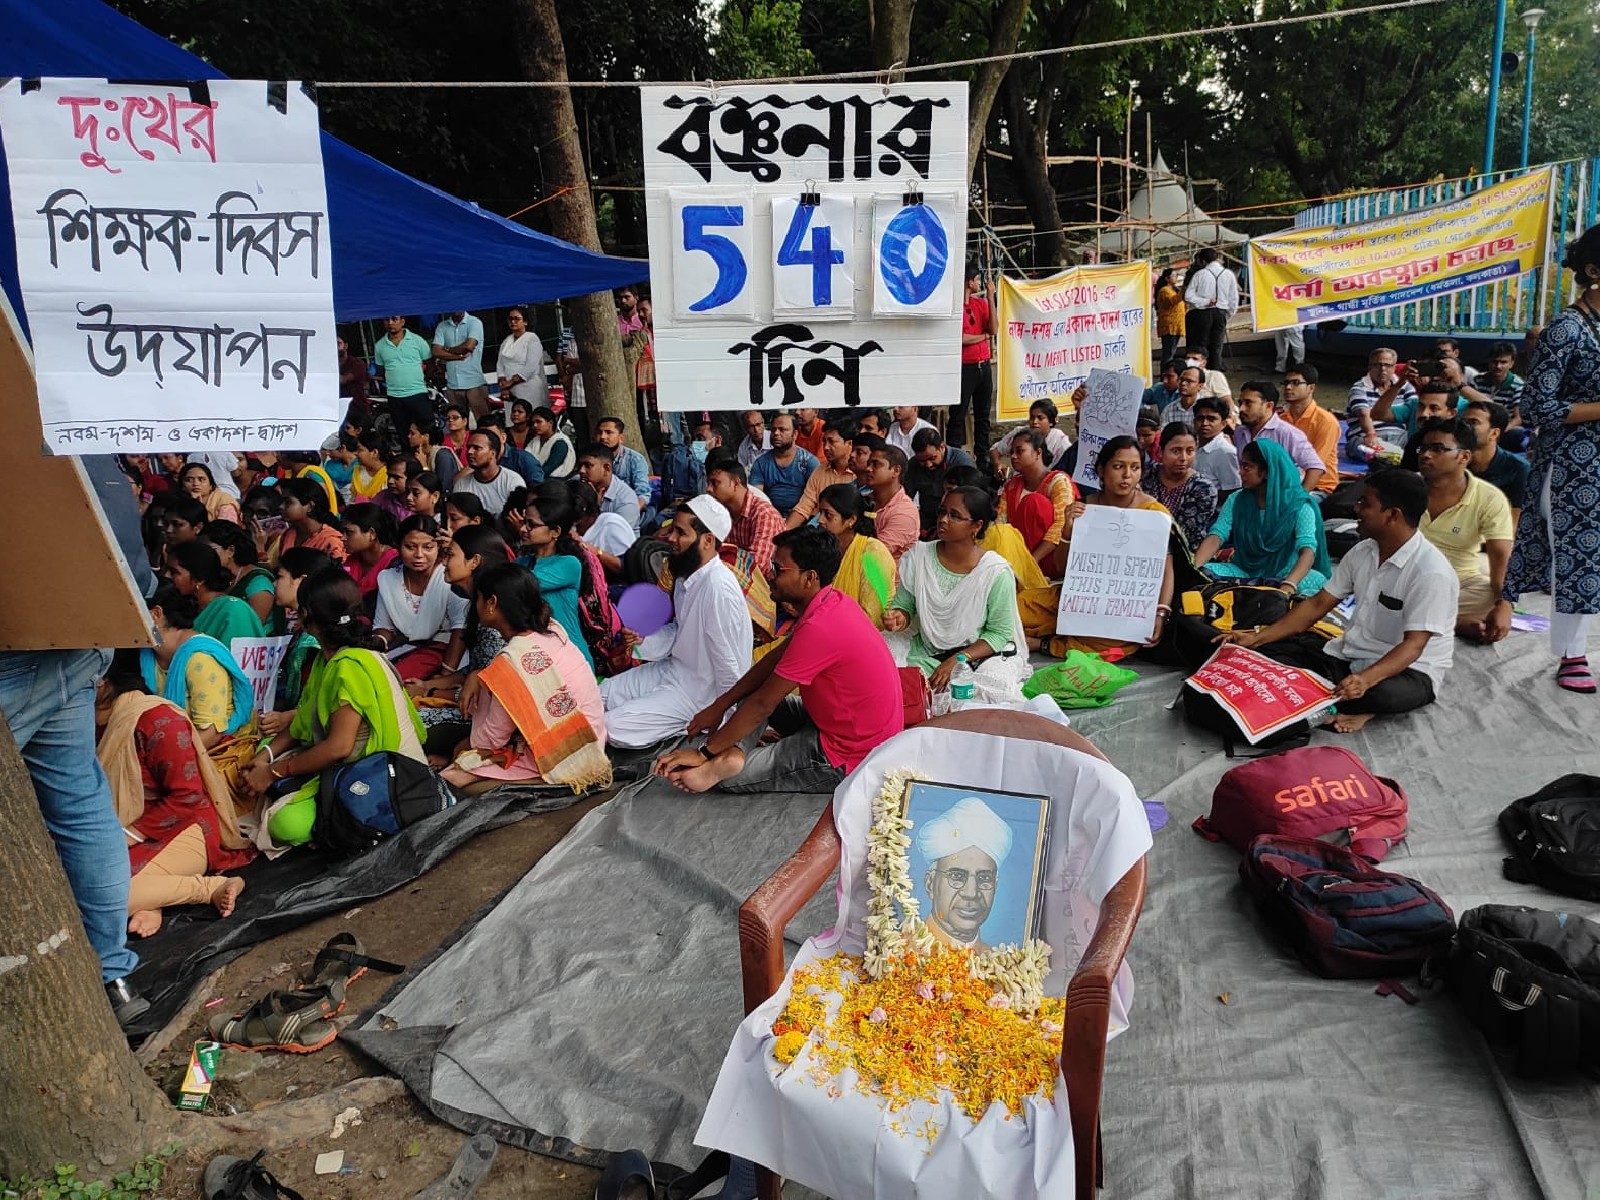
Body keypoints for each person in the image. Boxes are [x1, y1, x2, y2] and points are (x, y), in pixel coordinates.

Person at [654, 526, 904, 794]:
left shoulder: (821, 627)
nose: (770, 576)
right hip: (830, 721)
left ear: (810, 578)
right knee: (748, 693)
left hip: (848, 754)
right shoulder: (830, 601)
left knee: (726, 777)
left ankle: (726, 763)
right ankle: (734, 754)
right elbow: (774, 660)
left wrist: (705, 752)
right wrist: (720, 705)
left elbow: (763, 704)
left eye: (778, 569)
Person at [1217, 469, 1457, 733]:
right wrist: (1257, 638)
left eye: (1365, 503)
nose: (1356, 508)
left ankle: (1362, 707)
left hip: (1409, 671)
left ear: (1392, 516)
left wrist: (1364, 681)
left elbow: (1413, 647)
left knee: (1382, 695)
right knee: (1268, 655)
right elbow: (1317, 604)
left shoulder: (1431, 573)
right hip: (1350, 654)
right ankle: (1335, 700)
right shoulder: (1363, 550)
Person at [1, 641, 146, 1024]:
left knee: (81, 808)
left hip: (15, 657)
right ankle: (115, 981)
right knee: (82, 808)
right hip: (74, 644)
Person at [243, 569, 428, 848]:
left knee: (286, 825)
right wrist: (266, 755)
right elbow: (303, 722)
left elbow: (338, 748)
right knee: (264, 747)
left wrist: (273, 771)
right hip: (354, 762)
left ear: (305, 617)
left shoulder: (348, 666)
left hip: (387, 778)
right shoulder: (328, 660)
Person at [94, 651, 253, 938]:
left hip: (185, 828)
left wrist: (126, 836)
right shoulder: (88, 722)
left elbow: (187, 797)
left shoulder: (159, 720)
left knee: (104, 896)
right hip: (128, 831)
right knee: (78, 882)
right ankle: (154, 899)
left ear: (102, 683)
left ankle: (206, 889)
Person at [1503, 227, 1600, 692]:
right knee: (1576, 557)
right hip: (1572, 468)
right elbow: (1537, 407)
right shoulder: (1567, 329)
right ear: (1594, 272)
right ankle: (1571, 653)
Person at [439, 562, 609, 792]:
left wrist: (484, 681)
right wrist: (480, 676)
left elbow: (488, 741)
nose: (475, 605)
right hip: (593, 740)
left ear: (491, 604)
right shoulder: (552, 629)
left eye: (478, 598)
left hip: (565, 754)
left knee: (457, 776)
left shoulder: (511, 661)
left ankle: (540, 782)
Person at [600, 498, 753, 747]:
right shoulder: (685, 577)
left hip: (701, 694)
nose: (670, 538)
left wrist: (725, 724)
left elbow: (730, 666)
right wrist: (643, 640)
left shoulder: (718, 588)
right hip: (674, 670)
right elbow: (681, 632)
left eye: (681, 532)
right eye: (672, 529)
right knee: (600, 695)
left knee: (611, 726)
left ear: (707, 540)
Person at [1020, 436, 1175, 660]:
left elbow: (1165, 569)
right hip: (1077, 600)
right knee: (1016, 609)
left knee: (1111, 640)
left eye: (1135, 468)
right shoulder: (1084, 508)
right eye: (1118, 466)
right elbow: (1062, 568)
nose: (1127, 475)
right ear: (1101, 470)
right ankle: (1056, 631)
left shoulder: (1154, 513)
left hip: (1124, 610)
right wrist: (1067, 531)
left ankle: (1045, 644)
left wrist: (1160, 613)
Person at [884, 485, 1029, 704]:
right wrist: (898, 617)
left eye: (954, 516)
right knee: (880, 667)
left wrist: (957, 660)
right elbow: (905, 605)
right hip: (925, 651)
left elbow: (999, 634)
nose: (943, 520)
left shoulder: (994, 572)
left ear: (976, 526)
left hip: (975, 657)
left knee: (990, 692)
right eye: (942, 512)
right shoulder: (919, 557)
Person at [1414, 417, 1514, 642]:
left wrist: (1505, 605)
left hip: (1459, 583)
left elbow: (1501, 556)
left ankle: (1427, 619)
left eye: (1438, 449)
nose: (1426, 455)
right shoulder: (1405, 488)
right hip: (1407, 577)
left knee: (1490, 595)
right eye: (1424, 448)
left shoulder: (1489, 498)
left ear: (1464, 457)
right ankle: (1455, 622)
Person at [1194, 440, 1331, 597]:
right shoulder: (1237, 500)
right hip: (1245, 571)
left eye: (1247, 467)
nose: (1240, 472)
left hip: (1286, 574)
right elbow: (1217, 535)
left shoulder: (1299, 506)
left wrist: (1288, 586)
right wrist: (1194, 568)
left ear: (1266, 472)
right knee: (1205, 574)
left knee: (1316, 582)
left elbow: (1307, 551)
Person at [515, 484, 605, 671]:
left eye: (531, 524)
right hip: (542, 659)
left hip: (572, 660)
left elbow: (518, 584)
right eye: (524, 522)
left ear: (555, 531)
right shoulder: (522, 562)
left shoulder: (569, 564)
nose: (523, 528)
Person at [372, 514, 469, 682]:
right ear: (399, 546)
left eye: (428, 547)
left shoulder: (448, 576)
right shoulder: (388, 579)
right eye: (410, 547)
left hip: (448, 652)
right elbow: (383, 627)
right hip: (405, 649)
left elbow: (460, 629)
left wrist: (445, 674)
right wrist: (375, 645)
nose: (419, 554)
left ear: (438, 547)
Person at [916, 796, 1012, 952]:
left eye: (985, 878)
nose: (971, 893)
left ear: (996, 886)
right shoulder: (900, 953)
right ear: (930, 884)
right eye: (956, 876)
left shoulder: (999, 965)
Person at [816, 483, 897, 629]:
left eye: (828, 515)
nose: (820, 520)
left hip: (857, 634)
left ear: (851, 520)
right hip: (824, 624)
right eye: (820, 513)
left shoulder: (873, 552)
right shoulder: (823, 546)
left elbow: (872, 616)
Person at [998, 429, 1076, 577]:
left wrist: (1031, 562)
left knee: (1033, 502)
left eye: (1019, 451)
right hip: (1018, 559)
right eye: (1012, 452)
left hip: (1050, 559)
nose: (1013, 456)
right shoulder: (1011, 485)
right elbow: (1000, 523)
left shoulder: (1058, 481)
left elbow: (1061, 524)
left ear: (1038, 453)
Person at [166, 540, 269, 645]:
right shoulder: (184, 605)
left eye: (174, 572)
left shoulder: (233, 611)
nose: (167, 576)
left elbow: (234, 659)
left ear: (199, 579)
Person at [1232, 382, 1325, 491]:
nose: (1241, 408)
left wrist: (1298, 499)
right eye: (1240, 403)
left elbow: (1316, 468)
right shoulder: (1240, 432)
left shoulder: (1287, 433)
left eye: (1248, 403)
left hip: (1283, 497)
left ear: (1268, 406)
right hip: (1253, 496)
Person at [1143, 423, 1219, 548]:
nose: (1183, 458)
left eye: (1190, 451)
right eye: (1176, 451)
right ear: (1161, 452)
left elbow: (1184, 536)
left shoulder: (1204, 488)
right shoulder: (1145, 475)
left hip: (1182, 555)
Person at [707, 458, 784, 576]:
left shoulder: (764, 514)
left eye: (715, 483)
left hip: (762, 587)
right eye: (709, 483)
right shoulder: (721, 511)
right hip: (731, 577)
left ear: (736, 483)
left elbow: (756, 568)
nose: (709, 489)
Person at [204, 520, 282, 634]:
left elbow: (250, 630)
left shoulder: (259, 584)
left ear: (230, 550)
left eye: (209, 550)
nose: (204, 555)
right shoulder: (216, 576)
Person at [784, 417, 859, 528]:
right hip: (820, 531)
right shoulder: (819, 471)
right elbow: (804, 508)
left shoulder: (859, 474)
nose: (826, 447)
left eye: (832, 441)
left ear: (849, 443)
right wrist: (783, 533)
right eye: (824, 441)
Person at [1278, 365, 1340, 497]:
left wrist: (1296, 497)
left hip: (1319, 487)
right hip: (1287, 484)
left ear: (1311, 388)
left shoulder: (1326, 421)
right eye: (1286, 383)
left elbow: (1316, 466)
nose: (1288, 387)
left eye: (1295, 383)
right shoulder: (1280, 420)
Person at [954, 265, 997, 452]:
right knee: (958, 413)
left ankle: (983, 455)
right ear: (970, 283)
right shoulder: (955, 307)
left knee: (983, 415)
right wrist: (984, 336)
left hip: (984, 365)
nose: (980, 283)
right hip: (965, 367)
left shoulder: (980, 304)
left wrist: (990, 298)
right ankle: (954, 452)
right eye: (978, 280)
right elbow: (961, 338)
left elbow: (994, 329)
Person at [1463, 398, 1529, 518]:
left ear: (1494, 433)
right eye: (1463, 422)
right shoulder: (1455, 461)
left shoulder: (1518, 468)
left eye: (1473, 422)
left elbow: (1515, 521)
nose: (1464, 427)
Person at [905, 427, 976, 535]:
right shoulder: (913, 465)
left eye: (932, 458)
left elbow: (972, 500)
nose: (928, 464)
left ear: (942, 447)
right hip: (926, 521)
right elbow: (906, 497)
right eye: (922, 461)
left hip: (956, 520)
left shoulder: (962, 462)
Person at [1346, 346, 1415, 454]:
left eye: (1387, 365)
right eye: (1378, 365)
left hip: (1400, 437)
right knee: (1358, 447)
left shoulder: (1406, 386)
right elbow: (1364, 414)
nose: (1383, 369)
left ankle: (1392, 458)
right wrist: (1371, 435)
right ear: (1370, 367)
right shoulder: (1359, 388)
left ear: (1394, 368)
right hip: (1367, 438)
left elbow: (1415, 410)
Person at [373, 315, 434, 435]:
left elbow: (430, 363)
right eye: (386, 319)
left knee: (427, 430)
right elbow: (381, 370)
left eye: (394, 319)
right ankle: (408, 454)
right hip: (394, 397)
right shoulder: (379, 345)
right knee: (403, 432)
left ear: (402, 321)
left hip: (418, 393)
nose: (390, 322)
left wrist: (424, 379)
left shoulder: (417, 340)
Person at [749, 413, 819, 517]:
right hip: (770, 517)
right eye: (773, 429)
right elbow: (757, 499)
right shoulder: (760, 463)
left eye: (782, 429)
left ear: (795, 434)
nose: (776, 433)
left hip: (803, 519)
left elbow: (817, 502)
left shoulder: (809, 462)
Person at [1182, 249, 1239, 369]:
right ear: (1216, 258)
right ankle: (1215, 374)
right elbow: (1233, 299)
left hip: (1201, 314)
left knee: (1198, 347)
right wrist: (1227, 315)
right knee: (1216, 347)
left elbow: (1188, 296)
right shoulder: (1229, 274)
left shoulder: (1200, 274)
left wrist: (1205, 302)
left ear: (1202, 261)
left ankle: (1196, 374)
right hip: (1220, 313)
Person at [863, 444, 921, 560]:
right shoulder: (864, 499)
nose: (868, 469)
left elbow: (873, 555)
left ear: (896, 471)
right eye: (868, 463)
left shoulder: (905, 513)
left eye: (876, 464)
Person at [452, 428, 526, 515]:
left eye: (477, 448)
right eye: (468, 447)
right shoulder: (461, 484)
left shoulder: (512, 481)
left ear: (493, 453)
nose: (470, 452)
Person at [990, 399, 1071, 476]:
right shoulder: (1020, 434)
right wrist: (998, 464)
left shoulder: (1060, 441)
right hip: (1018, 483)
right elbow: (996, 450)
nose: (1035, 422)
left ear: (1051, 421)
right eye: (1032, 417)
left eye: (1040, 418)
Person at [340, 503, 400, 606]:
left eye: (349, 532)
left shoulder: (395, 563)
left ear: (372, 534)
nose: (343, 538)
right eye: (343, 532)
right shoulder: (352, 560)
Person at [433, 310, 489, 418]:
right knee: (458, 427)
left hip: (474, 384)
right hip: (453, 385)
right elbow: (436, 351)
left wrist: (447, 349)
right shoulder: (442, 326)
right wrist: (458, 356)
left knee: (484, 423)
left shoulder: (474, 322)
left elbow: (469, 346)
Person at [277, 477, 348, 562]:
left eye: (288, 502)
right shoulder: (289, 534)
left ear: (310, 506)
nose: (280, 506)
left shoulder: (330, 541)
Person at [578, 443, 644, 531]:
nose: (581, 471)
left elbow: (610, 538)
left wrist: (596, 508)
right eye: (580, 465)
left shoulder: (625, 500)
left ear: (606, 469)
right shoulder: (576, 484)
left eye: (588, 466)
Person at [595, 417, 652, 516]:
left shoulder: (635, 460)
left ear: (621, 438)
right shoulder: (591, 458)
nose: (603, 437)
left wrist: (629, 513)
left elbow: (643, 495)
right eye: (600, 432)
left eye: (609, 432)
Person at [496, 306, 549, 409]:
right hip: (510, 391)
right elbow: (500, 364)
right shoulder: (507, 340)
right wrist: (503, 384)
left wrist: (510, 383)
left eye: (517, 318)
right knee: (513, 419)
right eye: (510, 319)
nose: (513, 321)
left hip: (528, 387)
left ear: (525, 322)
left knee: (530, 416)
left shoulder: (532, 339)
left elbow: (530, 367)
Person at [404, 416, 460, 490]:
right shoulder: (418, 454)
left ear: (426, 437)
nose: (408, 436)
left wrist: (424, 466)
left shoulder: (443, 455)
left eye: (412, 433)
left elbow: (443, 488)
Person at [528, 406, 575, 479]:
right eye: (533, 422)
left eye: (538, 422)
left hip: (555, 483)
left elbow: (548, 469)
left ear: (550, 423)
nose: (535, 425)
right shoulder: (535, 441)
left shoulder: (560, 443)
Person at [1154, 268, 1187, 364]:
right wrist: (1183, 289)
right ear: (1167, 279)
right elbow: (1173, 301)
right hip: (1169, 326)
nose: (1176, 277)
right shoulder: (1164, 290)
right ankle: (1165, 374)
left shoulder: (1174, 289)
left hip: (1175, 325)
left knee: (1171, 352)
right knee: (1168, 354)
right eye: (1174, 275)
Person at [371, 454, 414, 524]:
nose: (390, 481)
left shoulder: (421, 502)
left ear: (412, 478)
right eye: (389, 476)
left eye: (397, 477)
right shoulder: (383, 496)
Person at [338, 335, 370, 427]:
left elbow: (343, 379)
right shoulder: (328, 365)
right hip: (337, 409)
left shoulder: (357, 363)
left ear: (345, 345)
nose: (336, 347)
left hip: (357, 408)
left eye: (338, 343)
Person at [349, 429, 389, 502]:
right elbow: (352, 499)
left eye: (360, 450)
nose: (356, 453)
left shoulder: (388, 476)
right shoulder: (357, 472)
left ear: (374, 453)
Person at [442, 403, 472, 469]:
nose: (450, 420)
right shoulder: (442, 441)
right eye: (448, 418)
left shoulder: (473, 437)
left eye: (455, 418)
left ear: (465, 421)